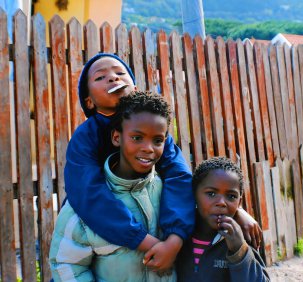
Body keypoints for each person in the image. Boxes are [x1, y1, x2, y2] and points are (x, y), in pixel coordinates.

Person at [63, 53, 261, 273]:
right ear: (89, 102)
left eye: (120, 73)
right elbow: (88, 194)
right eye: (101, 77)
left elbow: (181, 177)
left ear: (135, 89)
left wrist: (176, 240)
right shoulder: (85, 136)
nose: (113, 78)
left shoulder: (155, 130)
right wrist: (149, 243)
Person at [50, 92, 178, 281]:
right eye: (137, 138)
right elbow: (67, 265)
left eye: (157, 140)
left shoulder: (168, 192)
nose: (148, 148)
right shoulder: (86, 205)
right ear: (117, 138)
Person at [176, 157, 270, 282]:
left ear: (239, 202)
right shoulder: (178, 234)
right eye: (211, 194)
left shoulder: (240, 237)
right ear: (194, 195)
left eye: (231, 196)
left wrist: (239, 250)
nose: (221, 203)